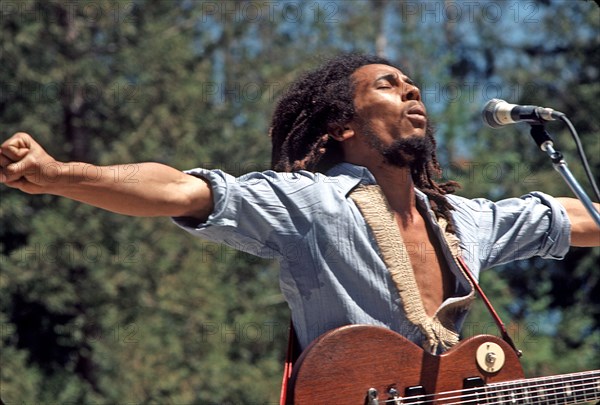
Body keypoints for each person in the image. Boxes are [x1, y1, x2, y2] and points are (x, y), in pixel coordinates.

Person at [1, 54, 599, 354]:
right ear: (342, 124)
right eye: (387, 85)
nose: (411, 91)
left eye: (412, 87)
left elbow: (575, 220)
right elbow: (182, 191)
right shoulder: (309, 203)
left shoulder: (466, 221)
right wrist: (59, 173)